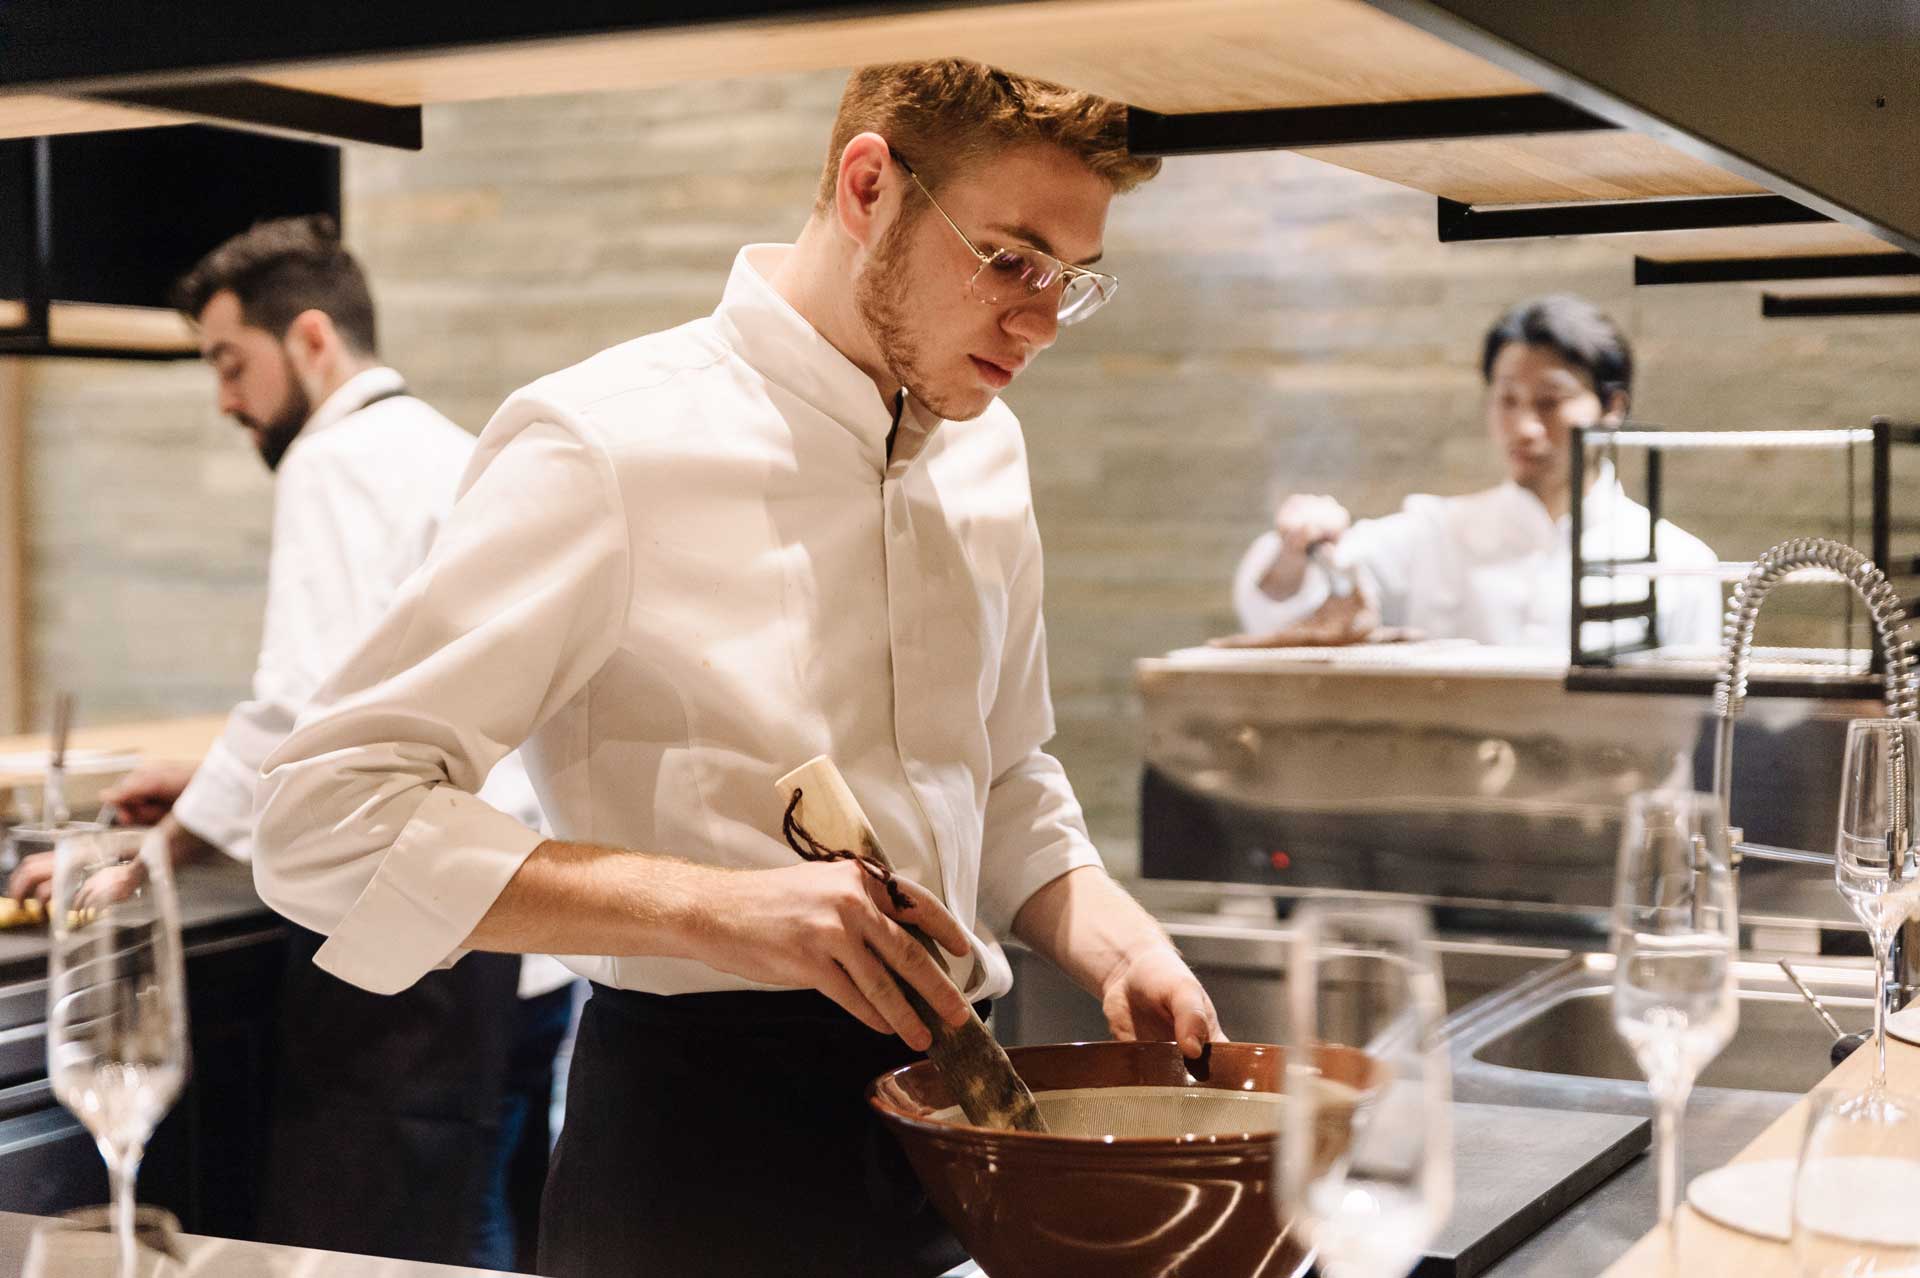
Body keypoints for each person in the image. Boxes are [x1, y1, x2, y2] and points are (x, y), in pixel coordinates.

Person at [251, 59, 1223, 1278]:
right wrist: (719, 909)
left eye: (1070, 283)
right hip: (696, 1160)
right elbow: (322, 821)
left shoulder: (985, 451)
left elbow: (1005, 771)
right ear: (869, 184)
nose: (1037, 322)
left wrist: (1116, 946)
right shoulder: (604, 441)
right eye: (1012, 261)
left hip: (957, 1127)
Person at [10, 216, 571, 1268]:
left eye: (231, 362)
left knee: (371, 1251)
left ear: (312, 340)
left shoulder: (337, 457)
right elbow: (365, 698)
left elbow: (299, 702)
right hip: (517, 951)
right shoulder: (450, 449)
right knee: (482, 1235)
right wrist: (219, 783)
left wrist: (153, 851)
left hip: (411, 949)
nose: (225, 398)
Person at [1232, 294, 1721, 652]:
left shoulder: (1680, 563)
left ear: (1612, 408)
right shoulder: (1433, 535)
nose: (1524, 427)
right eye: (1507, 400)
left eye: (1549, 402)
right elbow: (1280, 606)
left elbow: (1694, 726)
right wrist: (1301, 543)